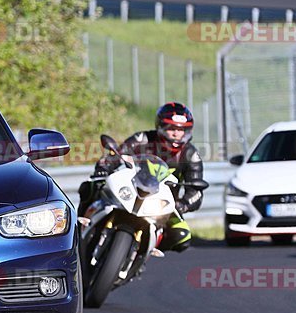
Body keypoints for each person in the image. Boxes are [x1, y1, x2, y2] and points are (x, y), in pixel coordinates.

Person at [79, 102, 204, 252]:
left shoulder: (191, 154)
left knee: (182, 236)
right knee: (90, 186)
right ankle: (79, 229)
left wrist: (182, 204)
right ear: (161, 127)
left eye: (181, 130)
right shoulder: (143, 138)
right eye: (172, 129)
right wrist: (103, 169)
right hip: (132, 190)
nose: (176, 134)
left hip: (164, 205)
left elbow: (196, 190)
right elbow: (117, 154)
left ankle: (143, 253)